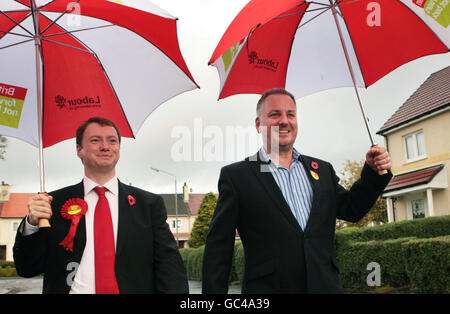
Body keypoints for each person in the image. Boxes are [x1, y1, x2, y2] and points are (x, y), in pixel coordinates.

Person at [202, 88, 392, 294]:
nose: (284, 121)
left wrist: (373, 173)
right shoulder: (237, 177)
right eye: (275, 114)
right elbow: (218, 250)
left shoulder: (322, 170)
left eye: (290, 114)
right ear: (258, 124)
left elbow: (352, 209)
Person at [13, 117, 188, 294]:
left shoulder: (149, 205)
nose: (105, 146)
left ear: (119, 149)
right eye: (95, 140)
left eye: (112, 141)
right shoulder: (52, 204)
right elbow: (27, 268)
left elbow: (169, 267)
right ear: (79, 150)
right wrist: (31, 225)